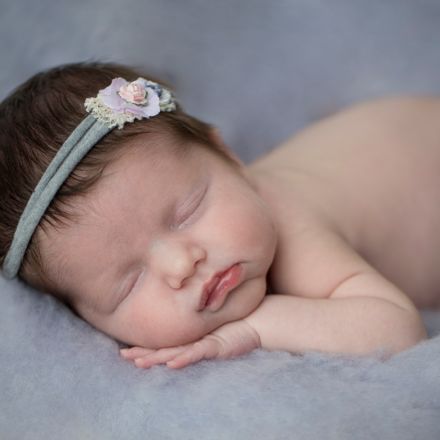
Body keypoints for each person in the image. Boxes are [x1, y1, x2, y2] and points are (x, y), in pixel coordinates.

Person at [0, 62, 432, 370]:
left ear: (228, 156)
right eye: (128, 282)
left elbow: (394, 329)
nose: (182, 265)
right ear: (80, 318)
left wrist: (254, 330)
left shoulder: (291, 221)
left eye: (186, 213)